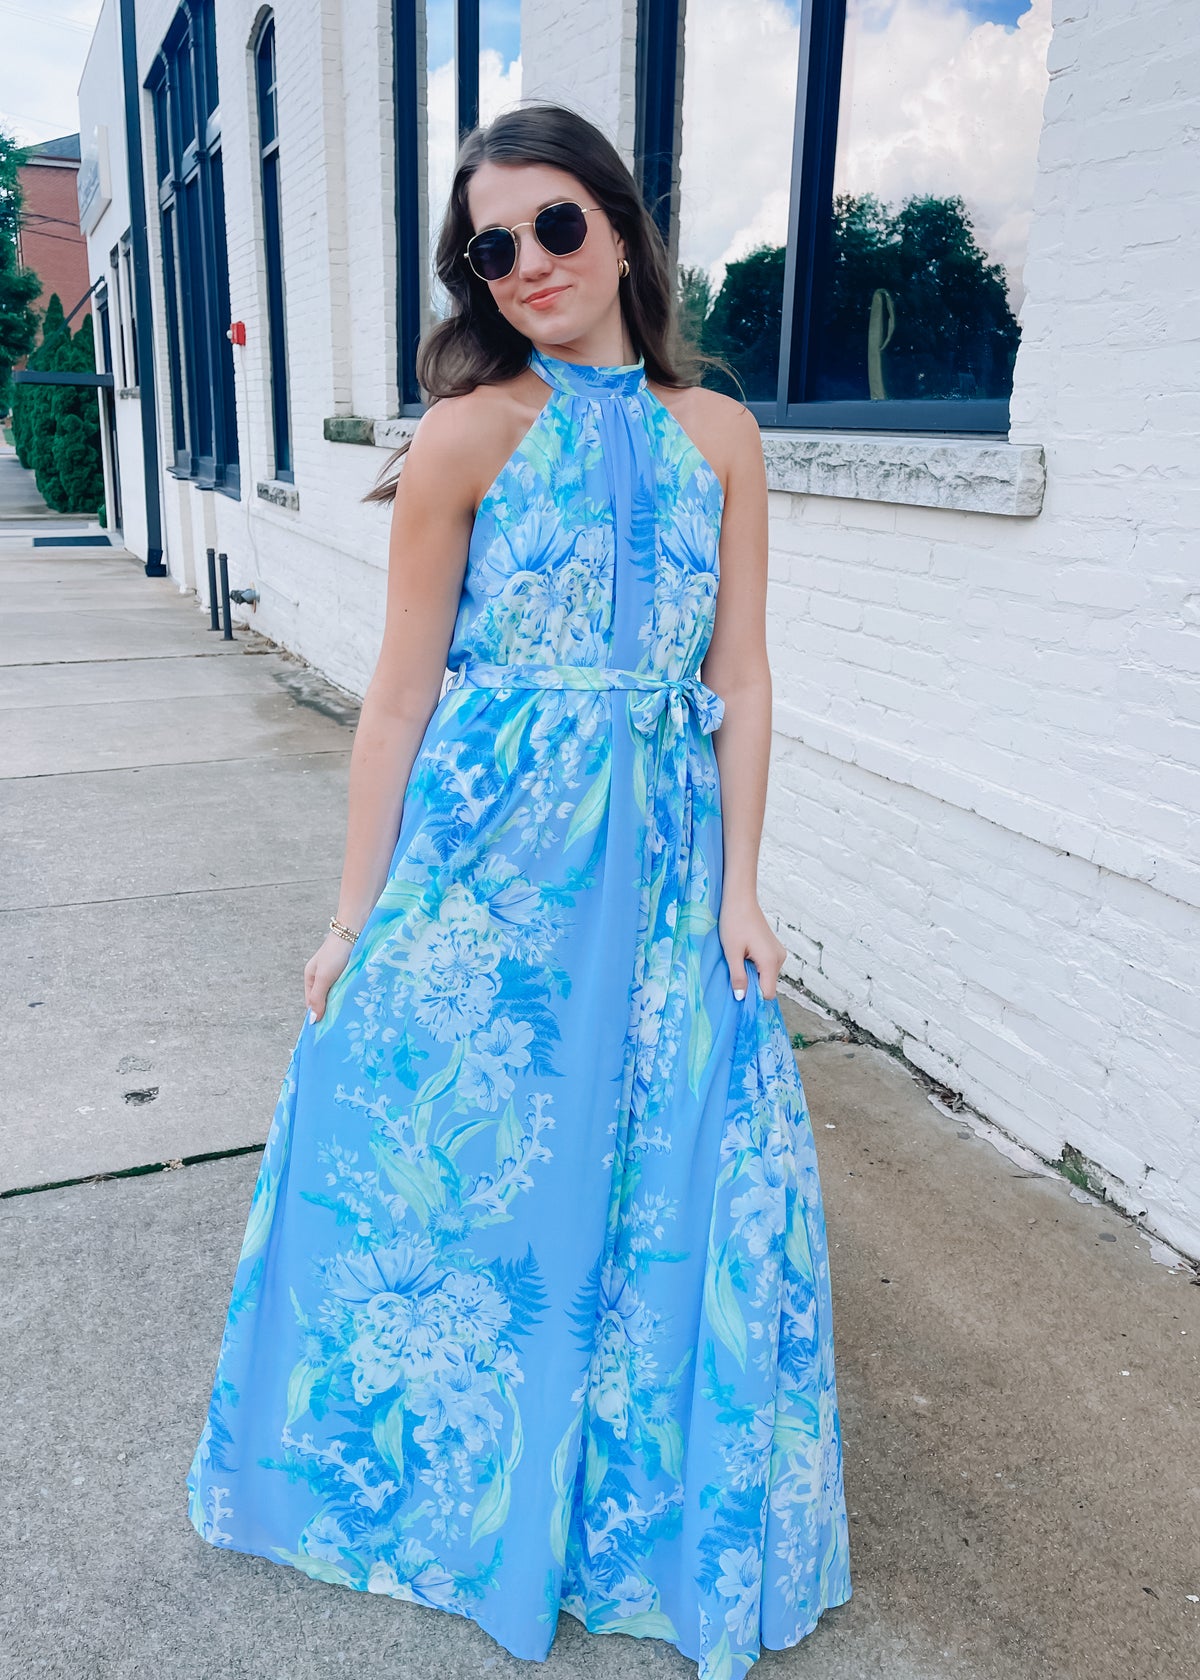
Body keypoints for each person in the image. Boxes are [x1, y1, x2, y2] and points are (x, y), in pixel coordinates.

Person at [186, 100, 852, 1678]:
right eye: (494, 247)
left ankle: (626, 1520)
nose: (532, 263)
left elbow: (745, 679)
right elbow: (400, 700)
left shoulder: (721, 434)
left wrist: (745, 888)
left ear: (620, 229)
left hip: (669, 857)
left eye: (557, 224)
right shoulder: (467, 436)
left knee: (677, 1164)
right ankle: (455, 1499)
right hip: (494, 860)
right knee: (469, 1167)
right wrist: (353, 918)